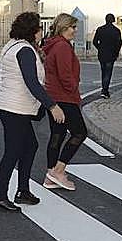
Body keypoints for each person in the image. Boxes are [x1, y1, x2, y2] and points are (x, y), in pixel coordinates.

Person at [0, 12, 66, 213]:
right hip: (14, 108)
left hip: (9, 106)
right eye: (38, 28)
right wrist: (52, 106)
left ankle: (23, 191)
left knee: (30, 146)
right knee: (13, 151)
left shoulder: (11, 45)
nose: (41, 32)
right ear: (33, 31)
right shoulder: (25, 51)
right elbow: (32, 83)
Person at [41, 13, 87, 191]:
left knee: (57, 134)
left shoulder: (53, 44)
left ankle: (50, 175)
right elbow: (65, 75)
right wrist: (74, 89)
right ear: (63, 27)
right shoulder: (62, 47)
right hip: (64, 98)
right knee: (79, 133)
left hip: (53, 96)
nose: (75, 31)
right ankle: (58, 170)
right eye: (73, 27)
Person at [92, 13, 122, 98]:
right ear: (113, 20)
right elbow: (119, 43)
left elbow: (94, 41)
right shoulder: (116, 30)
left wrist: (100, 48)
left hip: (102, 54)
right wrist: (116, 53)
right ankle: (105, 90)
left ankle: (104, 89)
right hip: (111, 54)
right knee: (108, 73)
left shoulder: (100, 29)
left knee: (103, 72)